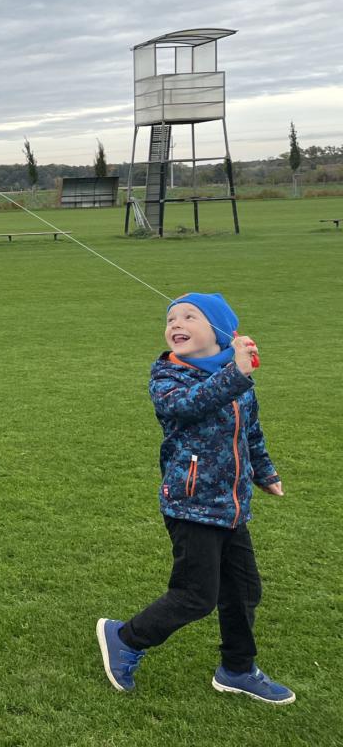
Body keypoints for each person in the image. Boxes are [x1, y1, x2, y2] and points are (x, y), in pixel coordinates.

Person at [97, 292, 292, 703]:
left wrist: (265, 473)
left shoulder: (237, 380)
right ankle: (125, 638)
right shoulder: (168, 377)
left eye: (189, 317)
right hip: (190, 505)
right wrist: (236, 374)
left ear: (221, 332)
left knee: (243, 590)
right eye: (171, 319)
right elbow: (189, 406)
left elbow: (251, 433)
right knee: (195, 596)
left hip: (231, 505)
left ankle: (237, 668)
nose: (176, 324)